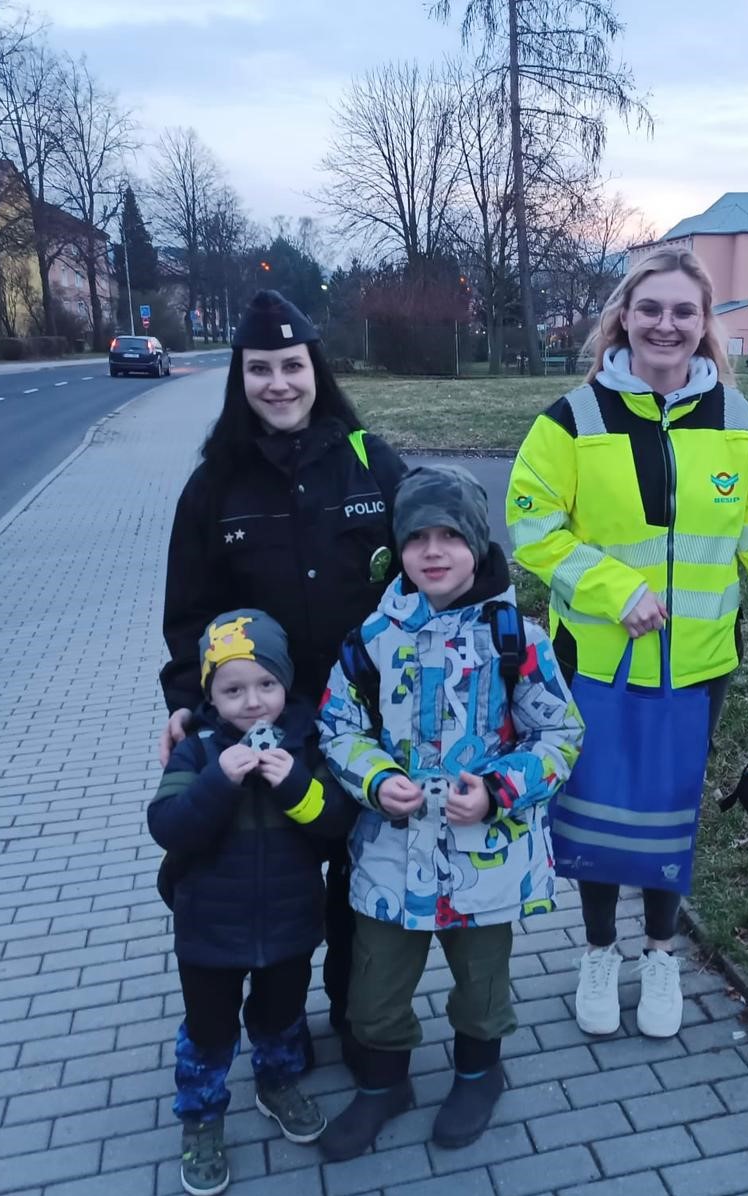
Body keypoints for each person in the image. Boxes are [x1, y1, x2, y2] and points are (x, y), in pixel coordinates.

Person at [506, 248, 748, 1039]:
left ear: (704, 326)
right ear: (624, 318)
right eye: (651, 309)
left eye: (683, 312)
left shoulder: (738, 423)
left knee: (669, 807)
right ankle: (599, 950)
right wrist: (613, 590)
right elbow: (532, 529)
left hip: (700, 665)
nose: (666, 325)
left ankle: (660, 953)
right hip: (596, 661)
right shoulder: (571, 419)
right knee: (600, 808)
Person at [315, 465, 585, 1160]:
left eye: (448, 536)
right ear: (398, 549)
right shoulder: (369, 641)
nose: (432, 552)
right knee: (374, 989)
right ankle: (383, 1084)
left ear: (476, 543)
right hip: (389, 853)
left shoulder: (514, 638)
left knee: (482, 985)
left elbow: (559, 734)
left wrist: (499, 791)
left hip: (482, 857)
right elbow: (338, 729)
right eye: (417, 539)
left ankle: (477, 1072)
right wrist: (375, 781)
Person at [157, 290, 406, 1044]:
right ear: (240, 379)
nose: (278, 383)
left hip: (367, 720)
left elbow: (434, 564)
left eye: (291, 366)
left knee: (359, 879)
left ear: (315, 371)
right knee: (284, 872)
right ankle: (279, 1018)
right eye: (259, 369)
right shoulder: (213, 486)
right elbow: (188, 612)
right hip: (270, 725)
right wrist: (183, 699)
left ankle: (357, 1017)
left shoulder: (369, 463)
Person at [148, 609, 360, 1196]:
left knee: (280, 1018)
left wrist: (294, 782)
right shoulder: (197, 752)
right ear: (210, 694)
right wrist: (219, 779)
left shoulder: (306, 745)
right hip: (209, 931)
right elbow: (168, 826)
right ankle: (201, 1116)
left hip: (290, 923)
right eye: (232, 688)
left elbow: (335, 825)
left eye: (266, 684)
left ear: (285, 684)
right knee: (210, 1031)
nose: (252, 702)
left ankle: (277, 1085)